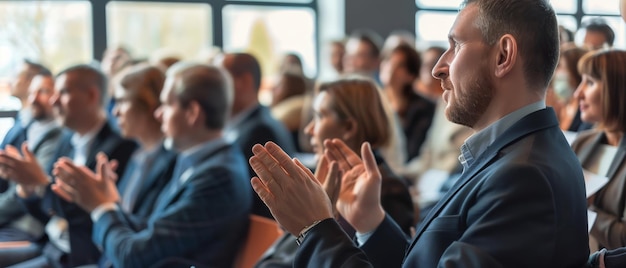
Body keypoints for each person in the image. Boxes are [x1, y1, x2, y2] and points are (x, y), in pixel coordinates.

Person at [248, 0, 589, 267]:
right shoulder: (512, 155)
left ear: (503, 56)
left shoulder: (524, 176)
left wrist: (316, 228)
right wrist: (371, 223)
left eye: (455, 46)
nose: (440, 66)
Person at [51, 62, 252, 267]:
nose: (158, 114)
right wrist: (109, 204)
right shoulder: (201, 162)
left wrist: (101, 208)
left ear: (192, 113)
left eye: (166, 105)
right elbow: (152, 230)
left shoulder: (218, 175)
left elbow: (134, 258)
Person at [255, 78, 414, 268]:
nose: (309, 129)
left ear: (349, 128)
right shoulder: (325, 177)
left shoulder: (386, 189)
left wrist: (314, 223)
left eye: (320, 116)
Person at [0, 64, 137, 267]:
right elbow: (47, 212)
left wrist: (41, 183)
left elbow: (91, 218)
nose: (54, 101)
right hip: (51, 247)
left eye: (62, 92)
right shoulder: (67, 139)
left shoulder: (120, 148)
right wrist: (28, 190)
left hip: (81, 257)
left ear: (91, 96)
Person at [216, 52, 296, 219]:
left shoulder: (259, 133)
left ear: (244, 81)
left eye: (219, 80)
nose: (212, 89)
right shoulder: (255, 123)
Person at [570, 50, 626, 251]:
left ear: (617, 90)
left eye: (590, 83)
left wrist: (584, 207)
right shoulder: (582, 142)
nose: (578, 93)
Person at [380, 43, 435, 161]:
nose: (391, 67)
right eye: (389, 60)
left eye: (399, 65)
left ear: (411, 75)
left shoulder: (423, 107)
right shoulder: (373, 102)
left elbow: (413, 152)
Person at [546, 44, 589, 132]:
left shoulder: (585, 112)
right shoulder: (561, 108)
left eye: (560, 66)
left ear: (575, 72)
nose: (555, 73)